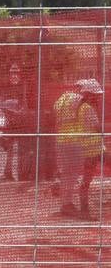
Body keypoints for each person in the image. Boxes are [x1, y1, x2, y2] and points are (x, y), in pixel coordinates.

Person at [53, 78, 105, 218]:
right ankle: (68, 205)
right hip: (75, 143)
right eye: (94, 95)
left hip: (62, 141)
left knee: (68, 175)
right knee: (72, 176)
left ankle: (66, 204)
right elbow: (97, 127)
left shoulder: (63, 101)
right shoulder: (85, 107)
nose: (97, 98)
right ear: (86, 93)